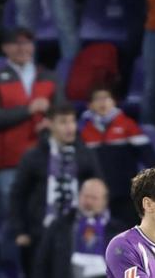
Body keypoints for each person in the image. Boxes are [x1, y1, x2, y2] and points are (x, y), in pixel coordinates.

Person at [0, 28, 62, 208]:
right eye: (16, 43)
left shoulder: (49, 76)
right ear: (5, 48)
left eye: (26, 43)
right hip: (9, 160)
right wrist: (28, 110)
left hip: (46, 158)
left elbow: (63, 112)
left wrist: (51, 120)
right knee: (13, 216)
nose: (22, 48)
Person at [10, 105, 103, 256]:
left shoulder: (86, 154)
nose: (70, 127)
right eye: (63, 122)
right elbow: (18, 196)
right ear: (50, 124)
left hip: (78, 233)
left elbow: (99, 189)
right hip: (39, 234)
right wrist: (20, 231)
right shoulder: (33, 156)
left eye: (72, 121)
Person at [79, 87, 155, 226]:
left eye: (106, 98)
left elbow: (149, 158)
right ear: (89, 105)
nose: (103, 102)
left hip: (125, 193)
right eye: (98, 99)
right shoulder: (84, 131)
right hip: (96, 196)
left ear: (114, 102)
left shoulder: (128, 125)